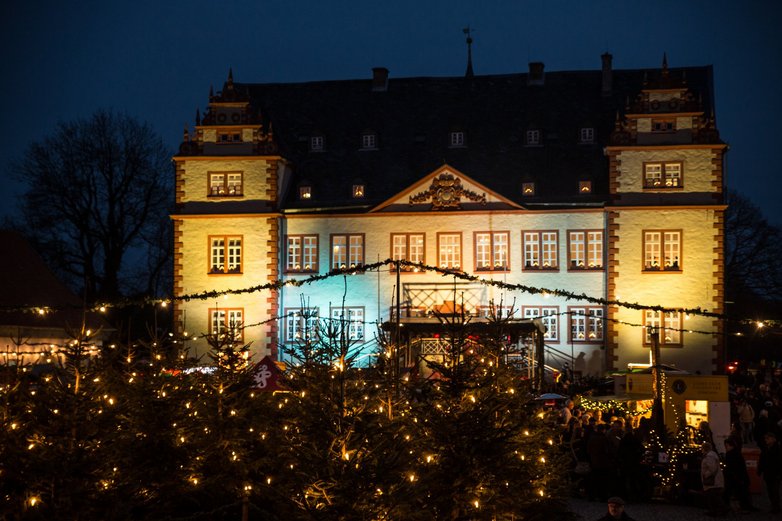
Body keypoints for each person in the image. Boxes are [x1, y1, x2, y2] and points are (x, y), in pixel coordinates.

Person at [722, 437, 755, 512]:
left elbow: (735, 467)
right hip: (736, 477)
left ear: (731, 445)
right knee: (740, 492)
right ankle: (744, 506)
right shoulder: (735, 453)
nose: (726, 448)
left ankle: (742, 506)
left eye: (726, 446)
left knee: (737, 492)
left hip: (736, 477)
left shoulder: (732, 454)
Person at [700, 442, 728, 516]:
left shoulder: (709, 456)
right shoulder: (712, 455)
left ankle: (719, 510)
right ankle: (715, 510)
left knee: (714, 496)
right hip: (715, 480)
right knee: (714, 496)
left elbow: (712, 468)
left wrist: (706, 475)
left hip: (713, 481)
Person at [758, 431, 782, 514]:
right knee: (770, 491)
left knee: (774, 491)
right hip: (768, 473)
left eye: (768, 438)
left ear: (773, 439)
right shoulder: (765, 448)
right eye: (765, 438)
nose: (766, 440)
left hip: (775, 474)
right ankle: (774, 506)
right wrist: (760, 470)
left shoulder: (778, 449)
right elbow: (762, 460)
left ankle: (776, 507)